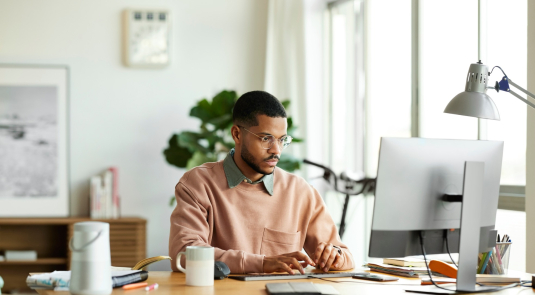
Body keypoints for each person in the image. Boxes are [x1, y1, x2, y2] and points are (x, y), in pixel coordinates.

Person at [169, 91, 354, 274]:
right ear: (237, 134)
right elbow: (184, 255)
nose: (276, 151)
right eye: (266, 139)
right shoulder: (198, 184)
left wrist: (334, 256)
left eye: (282, 140)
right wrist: (262, 263)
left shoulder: (301, 192)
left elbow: (345, 256)